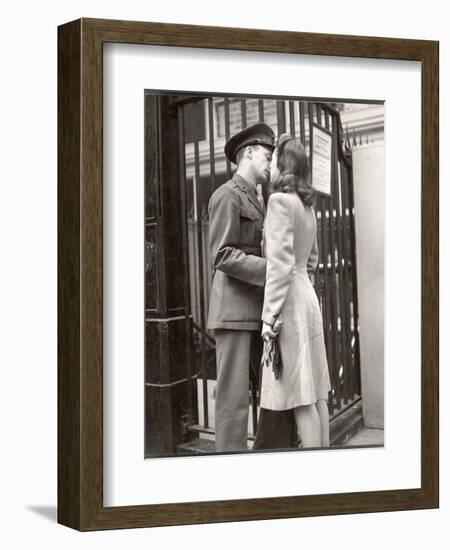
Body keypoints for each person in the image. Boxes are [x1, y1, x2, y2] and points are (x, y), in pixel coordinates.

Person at [258, 134, 331, 447]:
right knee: (316, 393)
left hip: (288, 300)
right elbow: (310, 260)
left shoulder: (279, 202)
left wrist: (269, 317)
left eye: (274, 159)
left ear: (282, 164)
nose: (271, 164)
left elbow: (279, 266)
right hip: (307, 296)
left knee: (301, 395)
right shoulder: (306, 206)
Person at [207, 122, 275, 452]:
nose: (270, 163)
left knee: (268, 395)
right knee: (233, 405)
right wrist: (271, 270)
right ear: (248, 153)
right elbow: (221, 254)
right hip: (233, 311)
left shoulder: (259, 199)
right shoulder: (226, 195)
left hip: (254, 309)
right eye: (267, 155)